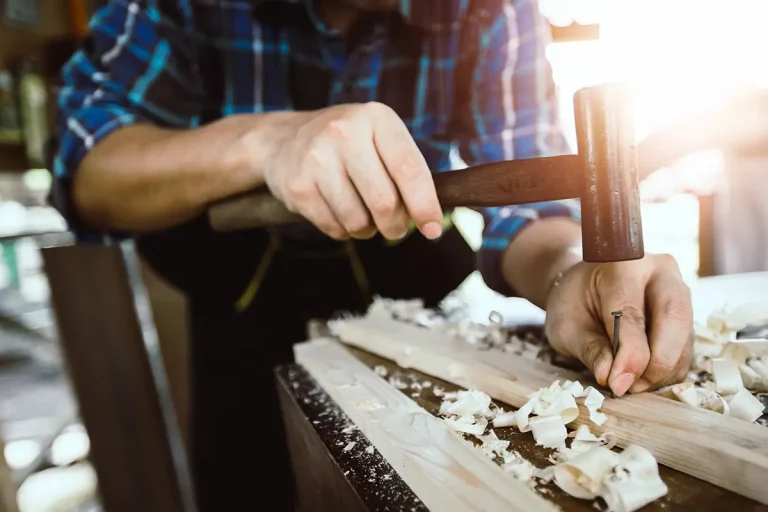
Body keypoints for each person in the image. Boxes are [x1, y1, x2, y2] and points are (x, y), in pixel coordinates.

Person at [51, 0, 694, 509]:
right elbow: (88, 171)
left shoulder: (489, 8)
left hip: (405, 299)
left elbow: (528, 210)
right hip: (240, 296)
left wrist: (568, 270)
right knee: (247, 482)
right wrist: (264, 142)